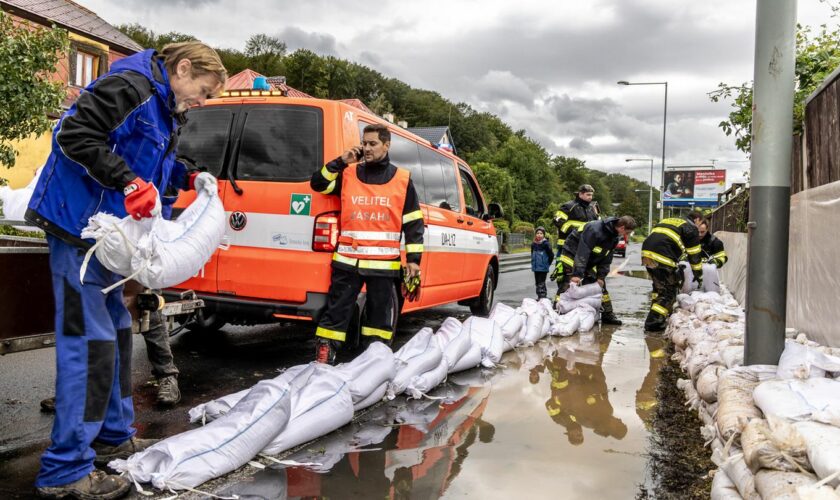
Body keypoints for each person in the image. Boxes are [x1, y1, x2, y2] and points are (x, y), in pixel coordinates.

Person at [25, 42, 226, 499]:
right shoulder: (130, 87)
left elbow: (155, 164)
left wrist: (190, 177)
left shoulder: (163, 105)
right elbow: (74, 135)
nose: (202, 101)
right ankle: (65, 471)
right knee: (89, 344)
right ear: (183, 67)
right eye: (203, 91)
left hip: (107, 241)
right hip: (78, 230)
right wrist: (128, 181)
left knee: (116, 331)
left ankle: (112, 437)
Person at [310, 123, 424, 364]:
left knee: (379, 315)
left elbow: (413, 222)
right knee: (336, 310)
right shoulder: (348, 173)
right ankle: (325, 351)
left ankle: (374, 358)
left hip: (384, 265)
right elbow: (318, 183)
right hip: (347, 260)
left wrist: (414, 261)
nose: (367, 148)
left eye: (372, 144)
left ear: (386, 145)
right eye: (365, 143)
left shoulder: (403, 180)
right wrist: (341, 161)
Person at [556, 216, 636, 325]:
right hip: (572, 254)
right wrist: (577, 274)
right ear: (622, 228)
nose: (626, 235)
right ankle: (556, 312)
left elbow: (606, 258)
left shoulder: (614, 237)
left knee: (599, 286)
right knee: (568, 283)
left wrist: (601, 277)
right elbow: (582, 252)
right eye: (627, 232)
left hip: (588, 258)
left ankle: (607, 314)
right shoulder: (594, 229)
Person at [641, 211, 704, 332]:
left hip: (647, 253)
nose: (699, 226)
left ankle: (657, 314)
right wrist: (698, 274)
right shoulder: (691, 228)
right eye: (700, 223)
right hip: (663, 256)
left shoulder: (669, 220)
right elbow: (694, 255)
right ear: (696, 219)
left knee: (658, 287)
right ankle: (653, 323)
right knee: (669, 292)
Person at [551, 184, 599, 296]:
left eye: (591, 195)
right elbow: (557, 221)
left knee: (586, 273)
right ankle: (561, 297)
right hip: (566, 245)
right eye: (588, 195)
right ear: (580, 194)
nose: (590, 197)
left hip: (584, 247)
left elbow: (596, 226)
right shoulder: (568, 206)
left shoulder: (592, 209)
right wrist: (575, 233)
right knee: (563, 273)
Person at [530, 227, 554, 299]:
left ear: (543, 235)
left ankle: (542, 298)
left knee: (541, 283)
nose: (539, 235)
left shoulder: (546, 244)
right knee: (537, 283)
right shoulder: (533, 244)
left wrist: (547, 264)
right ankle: (540, 297)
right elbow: (532, 254)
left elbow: (551, 255)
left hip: (543, 267)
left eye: (541, 233)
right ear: (535, 234)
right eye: (537, 233)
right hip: (536, 267)